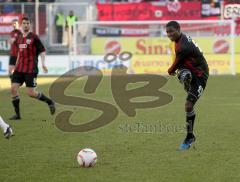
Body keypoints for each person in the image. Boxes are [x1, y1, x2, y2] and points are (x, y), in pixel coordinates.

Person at [166, 21, 209, 150]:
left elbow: (175, 65)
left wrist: (170, 71)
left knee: (188, 105)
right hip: (191, 68)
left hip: (201, 76)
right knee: (184, 73)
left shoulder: (183, 46)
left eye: (172, 31)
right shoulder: (181, 40)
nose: (169, 34)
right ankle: (187, 81)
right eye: (167, 32)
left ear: (179, 29)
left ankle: (190, 136)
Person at [10, 17, 56, 120]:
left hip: (30, 69)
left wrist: (43, 64)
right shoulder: (19, 38)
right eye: (24, 23)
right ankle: (17, 115)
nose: (25, 25)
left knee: (31, 93)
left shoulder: (34, 37)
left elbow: (42, 51)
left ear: (30, 25)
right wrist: (15, 65)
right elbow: (19, 53)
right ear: (21, 25)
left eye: (27, 23)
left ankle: (50, 102)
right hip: (19, 69)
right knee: (13, 89)